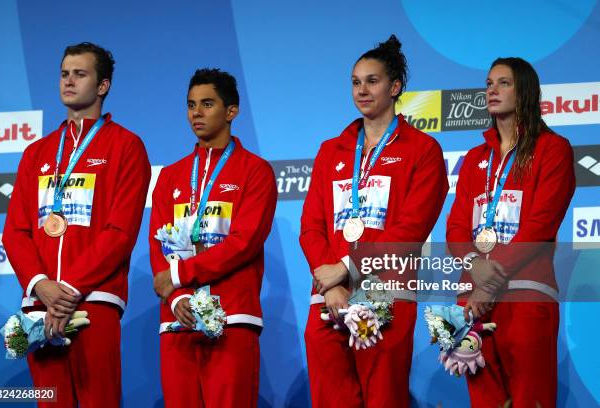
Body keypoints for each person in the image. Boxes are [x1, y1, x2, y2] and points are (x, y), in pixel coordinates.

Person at [300, 35, 448, 407]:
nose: (361, 90)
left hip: (386, 295)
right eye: (355, 81)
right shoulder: (330, 150)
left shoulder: (423, 151)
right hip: (328, 297)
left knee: (383, 399)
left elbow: (410, 232)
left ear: (395, 87)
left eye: (372, 81)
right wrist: (328, 282)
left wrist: (345, 268)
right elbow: (311, 227)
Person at [3, 42, 151, 407]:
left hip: (93, 300)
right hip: (39, 306)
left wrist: (66, 290)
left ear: (103, 86)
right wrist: (41, 286)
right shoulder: (36, 152)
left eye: (80, 74)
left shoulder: (126, 147)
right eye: (64, 74)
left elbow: (120, 232)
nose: (69, 81)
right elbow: (16, 231)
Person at [447, 57, 575, 407]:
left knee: (530, 399)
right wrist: (475, 266)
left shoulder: (553, 149)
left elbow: (540, 225)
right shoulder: (474, 159)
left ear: (525, 92)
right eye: (489, 83)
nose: (492, 89)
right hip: (473, 301)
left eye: (504, 83)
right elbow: (456, 226)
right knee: (484, 401)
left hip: (525, 293)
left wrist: (489, 281)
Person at [150, 68, 277, 407]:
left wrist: (178, 276)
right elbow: (158, 242)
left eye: (207, 104)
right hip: (177, 319)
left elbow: (244, 243)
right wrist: (175, 297)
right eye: (191, 104)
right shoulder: (170, 176)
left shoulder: (255, 171)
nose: (196, 113)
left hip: (232, 317)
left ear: (231, 111)